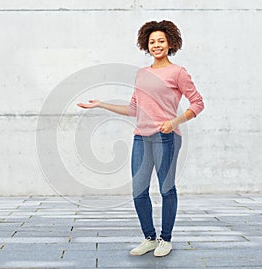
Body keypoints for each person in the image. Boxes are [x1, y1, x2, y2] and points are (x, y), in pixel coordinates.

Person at [77, 20, 204, 257]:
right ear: (146, 44)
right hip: (141, 138)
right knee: (138, 190)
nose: (156, 45)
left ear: (170, 44)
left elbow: (198, 103)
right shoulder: (142, 74)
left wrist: (174, 122)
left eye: (161, 41)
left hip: (166, 137)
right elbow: (134, 109)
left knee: (166, 189)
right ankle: (149, 238)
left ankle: (166, 239)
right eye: (152, 41)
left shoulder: (178, 72)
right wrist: (101, 104)